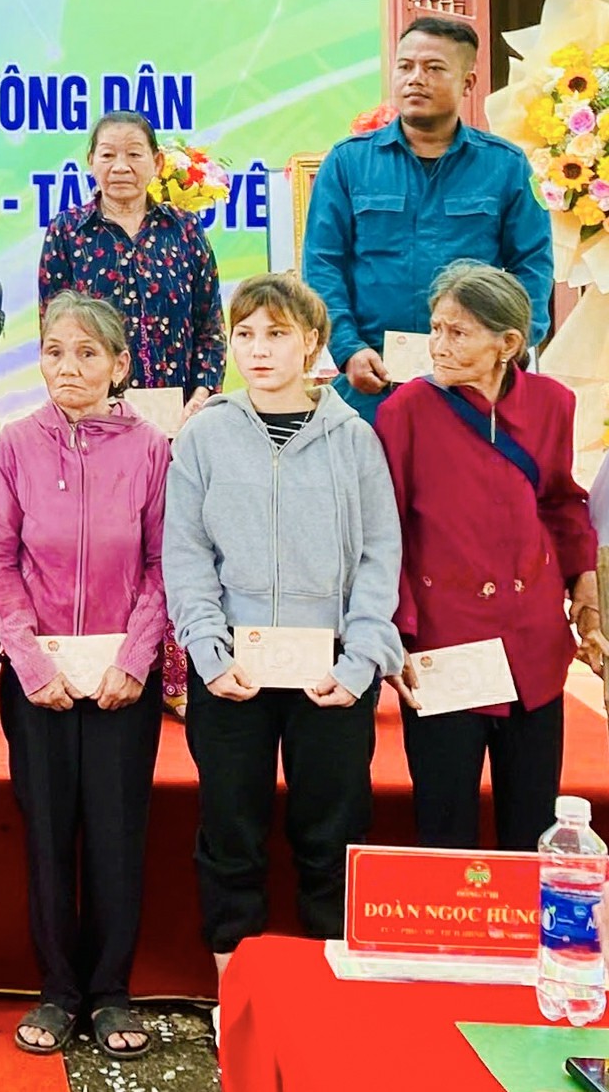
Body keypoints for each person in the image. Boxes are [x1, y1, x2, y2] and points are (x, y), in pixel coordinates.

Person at [166, 275, 402, 1002]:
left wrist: (360, 663)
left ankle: (330, 996)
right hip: (232, 670)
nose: (259, 350)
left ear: (312, 343)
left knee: (332, 831)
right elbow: (185, 554)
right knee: (230, 831)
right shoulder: (204, 435)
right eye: (245, 335)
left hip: (330, 674)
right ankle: (236, 996)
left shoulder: (354, 440)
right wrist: (209, 652)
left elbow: (380, 557)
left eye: (276, 334)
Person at [0, 292, 172, 1060]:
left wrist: (135, 659)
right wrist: (30, 662)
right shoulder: (14, 445)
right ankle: (59, 990)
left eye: (88, 353)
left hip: (124, 683)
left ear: (120, 365)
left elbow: (164, 563)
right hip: (41, 685)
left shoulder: (151, 449)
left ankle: (112, 991)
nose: (69, 367)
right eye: (55, 351)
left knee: (118, 836)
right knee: (49, 835)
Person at [379, 263, 601, 850]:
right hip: (446, 640)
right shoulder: (405, 410)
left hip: (534, 643)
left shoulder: (552, 404)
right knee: (444, 820)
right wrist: (397, 632)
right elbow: (386, 530)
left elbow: (561, 502)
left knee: (533, 823)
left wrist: (585, 594)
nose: (439, 345)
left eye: (458, 333)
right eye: (435, 328)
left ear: (507, 344)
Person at [37, 108, 223, 706]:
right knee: (112, 544)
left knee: (173, 542)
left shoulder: (186, 232)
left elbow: (210, 327)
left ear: (156, 162)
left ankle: (177, 677)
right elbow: (54, 330)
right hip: (97, 424)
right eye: (108, 154)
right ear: (90, 163)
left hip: (178, 423)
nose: (121, 165)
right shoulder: (68, 233)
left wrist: (201, 398)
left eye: (134, 153)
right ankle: (111, 663)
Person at [303, 17, 554, 422]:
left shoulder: (506, 166)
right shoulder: (348, 163)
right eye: (405, 66)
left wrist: (514, 344)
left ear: (468, 83)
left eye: (434, 68)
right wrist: (348, 349)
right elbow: (323, 266)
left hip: (473, 381)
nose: (415, 79)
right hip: (373, 378)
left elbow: (533, 265)